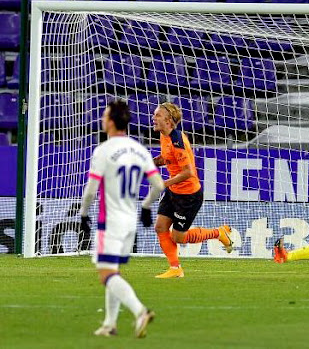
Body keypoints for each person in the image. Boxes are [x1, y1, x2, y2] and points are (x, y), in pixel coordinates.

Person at [79, 99, 164, 338]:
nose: (102, 119)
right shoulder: (140, 150)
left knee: (106, 275)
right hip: (130, 221)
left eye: (105, 116)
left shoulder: (104, 150)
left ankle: (140, 311)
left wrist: (83, 213)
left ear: (112, 121)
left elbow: (91, 191)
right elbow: (158, 185)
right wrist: (146, 207)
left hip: (111, 222)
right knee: (113, 272)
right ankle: (109, 324)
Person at [151, 102, 233, 278]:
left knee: (178, 238)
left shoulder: (177, 140)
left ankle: (219, 233)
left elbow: (188, 172)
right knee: (160, 227)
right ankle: (175, 269)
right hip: (174, 191)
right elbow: (168, 158)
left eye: (157, 115)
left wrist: (163, 184)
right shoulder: (164, 136)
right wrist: (153, 162)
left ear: (169, 120)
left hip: (188, 196)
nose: (153, 118)